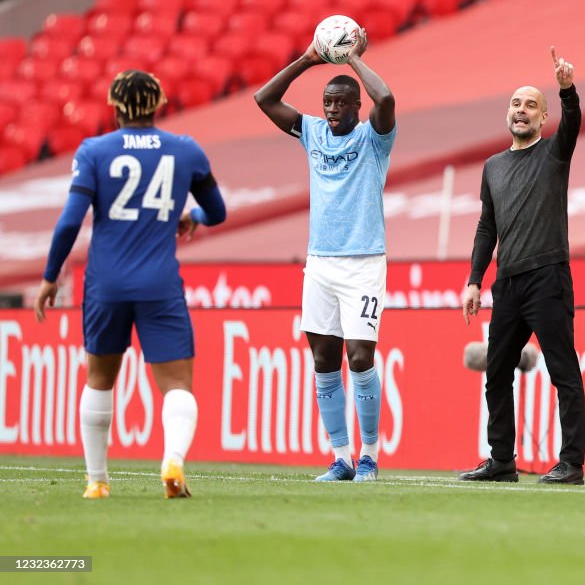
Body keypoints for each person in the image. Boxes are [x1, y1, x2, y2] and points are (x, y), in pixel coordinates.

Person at [34, 70, 227, 499]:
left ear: (114, 106)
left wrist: (51, 276)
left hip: (106, 284)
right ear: (158, 104)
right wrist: (191, 217)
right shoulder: (185, 151)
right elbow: (217, 211)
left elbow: (70, 221)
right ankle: (172, 460)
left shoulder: (95, 151)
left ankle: (97, 481)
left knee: (100, 378)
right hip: (159, 282)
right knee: (177, 385)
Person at [254, 29, 395, 483]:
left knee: (359, 358)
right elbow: (264, 98)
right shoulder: (311, 131)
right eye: (327, 102)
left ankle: (370, 455)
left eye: (340, 103)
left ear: (357, 107)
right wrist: (310, 59)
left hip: (363, 262)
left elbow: (386, 96)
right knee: (323, 360)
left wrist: (351, 59)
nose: (331, 109)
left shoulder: (375, 139)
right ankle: (341, 457)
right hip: (320, 264)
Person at [459, 48, 585, 485]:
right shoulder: (493, 166)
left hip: (548, 277)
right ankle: (501, 461)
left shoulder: (554, 154)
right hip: (507, 284)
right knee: (497, 372)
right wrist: (475, 280)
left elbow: (573, 123)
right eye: (516, 103)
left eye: (531, 104)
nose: (521, 110)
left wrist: (567, 90)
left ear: (543, 116)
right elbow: (486, 226)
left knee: (562, 370)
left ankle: (571, 463)